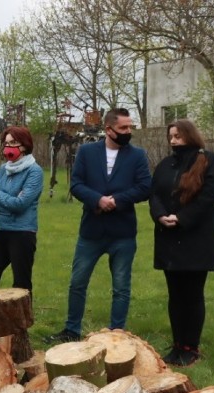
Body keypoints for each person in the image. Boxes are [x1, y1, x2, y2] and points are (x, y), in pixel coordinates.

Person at [45, 108, 151, 343]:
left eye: (130, 127)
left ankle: (116, 335)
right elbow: (76, 184)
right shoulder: (87, 152)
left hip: (122, 232)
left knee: (121, 286)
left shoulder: (137, 155)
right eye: (124, 128)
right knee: (78, 282)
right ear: (108, 129)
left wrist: (117, 200)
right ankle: (71, 330)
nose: (128, 131)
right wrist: (98, 200)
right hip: (91, 231)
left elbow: (145, 186)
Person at [149, 119, 214, 366]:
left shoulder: (209, 161)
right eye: (171, 136)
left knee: (192, 295)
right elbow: (155, 194)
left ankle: (191, 347)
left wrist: (182, 218)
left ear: (190, 136)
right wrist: (161, 216)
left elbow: (209, 197)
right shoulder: (165, 164)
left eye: (178, 136)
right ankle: (177, 344)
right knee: (175, 295)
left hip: (195, 239)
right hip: (168, 238)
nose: (173, 141)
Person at [0, 126, 43, 293]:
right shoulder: (3, 169)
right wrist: (8, 203)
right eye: (6, 143)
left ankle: (23, 319)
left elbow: (20, 204)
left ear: (25, 145)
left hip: (22, 234)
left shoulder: (34, 171)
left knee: (21, 286)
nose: (8, 147)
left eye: (13, 142)